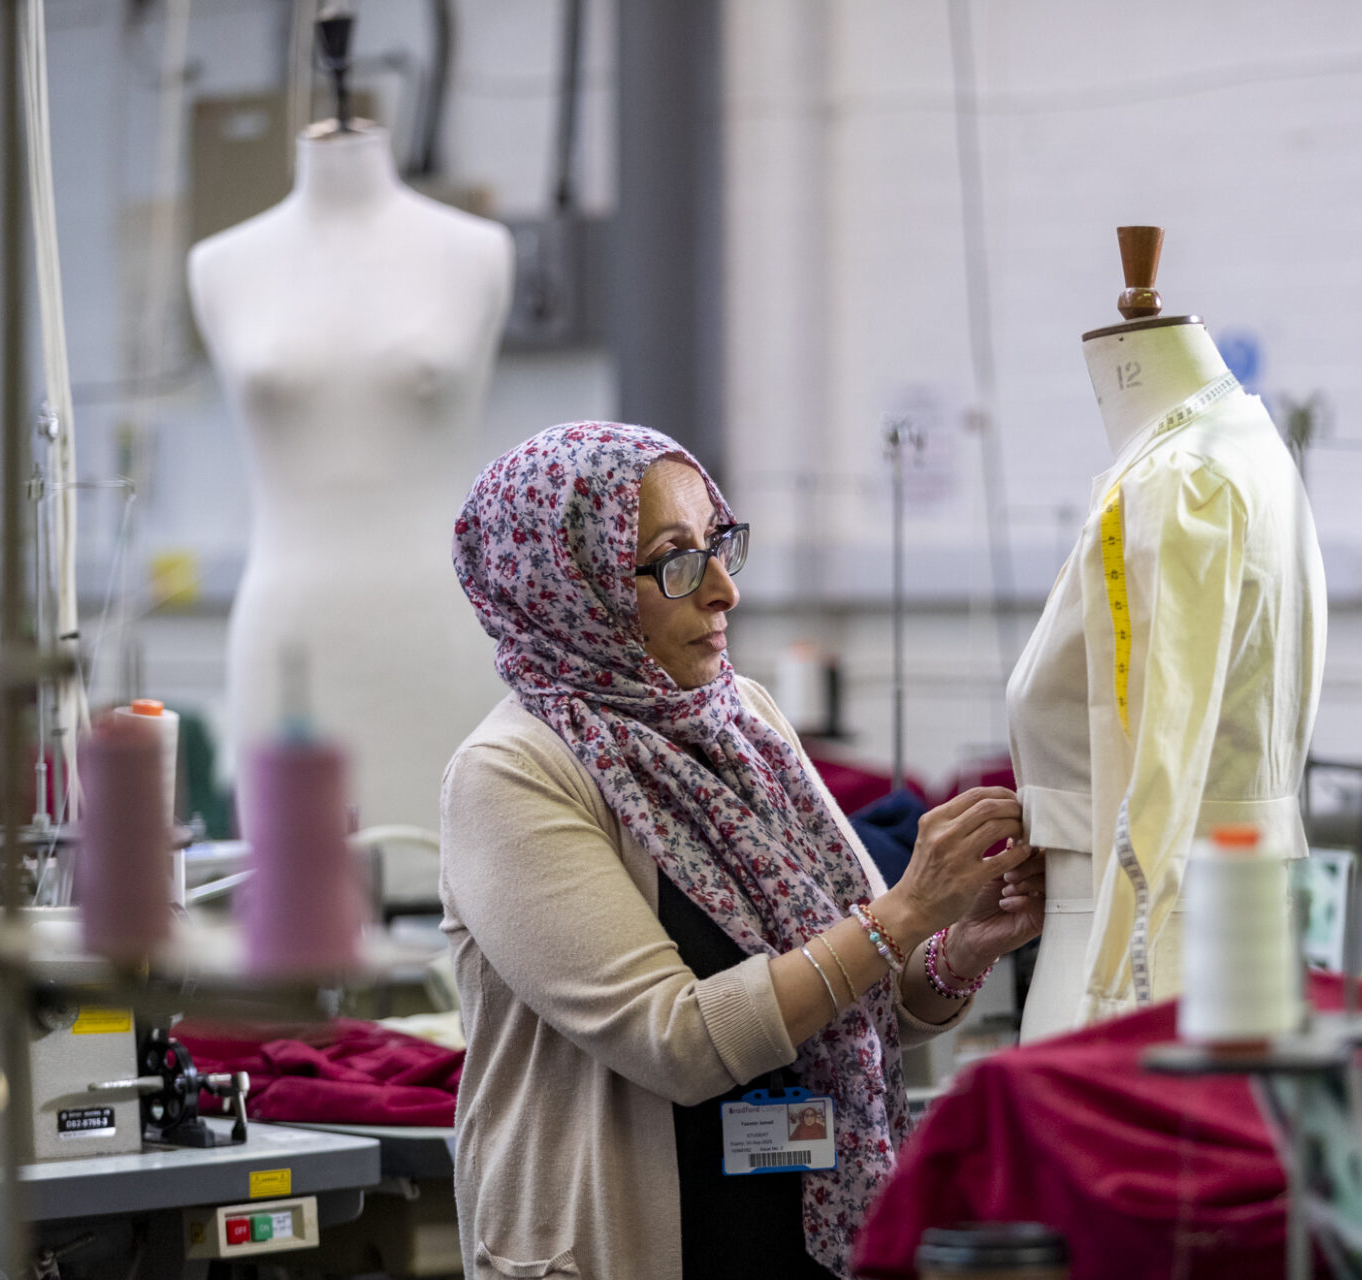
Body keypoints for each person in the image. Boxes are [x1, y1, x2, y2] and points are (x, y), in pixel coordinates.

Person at [442, 422, 1047, 1280]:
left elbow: (864, 991)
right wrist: (906, 910)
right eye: (674, 560)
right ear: (575, 586)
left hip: (796, 1235)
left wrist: (961, 943)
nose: (723, 589)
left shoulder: (743, 720)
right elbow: (677, 1041)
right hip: (629, 1245)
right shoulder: (511, 773)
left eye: (718, 544)